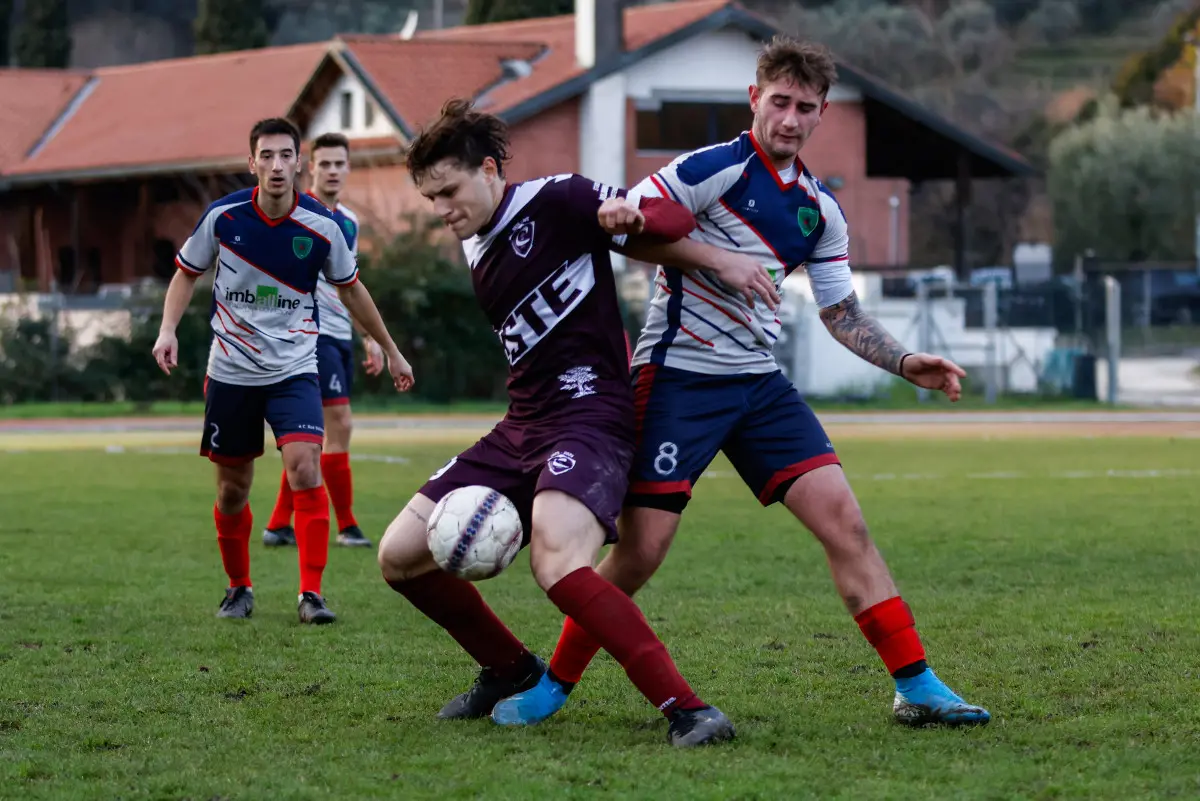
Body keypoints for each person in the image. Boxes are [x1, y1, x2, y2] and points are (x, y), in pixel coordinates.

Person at [492, 35, 991, 729]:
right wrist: (677, 239)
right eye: (779, 102)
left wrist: (907, 362)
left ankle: (917, 684)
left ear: (821, 116)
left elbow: (841, 311)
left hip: (759, 387)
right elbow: (635, 223)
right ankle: (555, 683)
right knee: (639, 552)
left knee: (846, 524)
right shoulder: (710, 168)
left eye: (805, 108)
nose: (789, 118)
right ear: (755, 98)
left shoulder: (821, 209)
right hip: (676, 381)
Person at [375, 99, 771, 747]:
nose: (442, 209)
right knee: (398, 557)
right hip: (522, 425)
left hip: (592, 419)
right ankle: (508, 669)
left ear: (491, 169)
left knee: (557, 564)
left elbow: (668, 219)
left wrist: (635, 213)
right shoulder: (477, 248)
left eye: (449, 190)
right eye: (431, 199)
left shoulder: (559, 198)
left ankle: (690, 708)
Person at [152, 117, 414, 624]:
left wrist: (390, 347)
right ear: (252, 163)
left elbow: (353, 291)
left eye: (285, 155)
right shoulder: (223, 217)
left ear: (299, 162)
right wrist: (168, 330)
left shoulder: (323, 226)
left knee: (305, 467)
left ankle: (311, 595)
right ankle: (238, 588)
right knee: (233, 490)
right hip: (230, 371)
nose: (276, 165)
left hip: (295, 368)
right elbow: (185, 274)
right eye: (265, 156)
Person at [263, 132, 382, 550]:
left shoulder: (348, 222)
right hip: (309, 339)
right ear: (309, 167)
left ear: (348, 168)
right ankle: (347, 526)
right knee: (340, 424)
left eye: (340, 163)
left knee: (309, 437)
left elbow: (349, 285)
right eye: (325, 163)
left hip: (339, 335)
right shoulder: (294, 214)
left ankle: (279, 524)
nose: (333, 170)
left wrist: (369, 335)